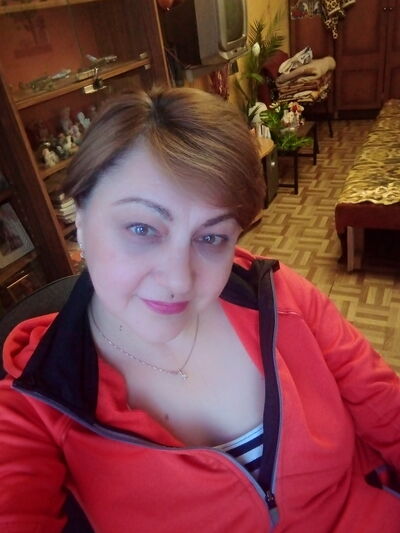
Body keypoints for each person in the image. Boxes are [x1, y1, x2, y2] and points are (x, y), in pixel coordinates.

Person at [0, 87, 399, 533]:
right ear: (80, 220)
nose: (178, 280)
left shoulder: (278, 296)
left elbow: (387, 410)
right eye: (141, 228)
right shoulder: (37, 401)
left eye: (211, 237)